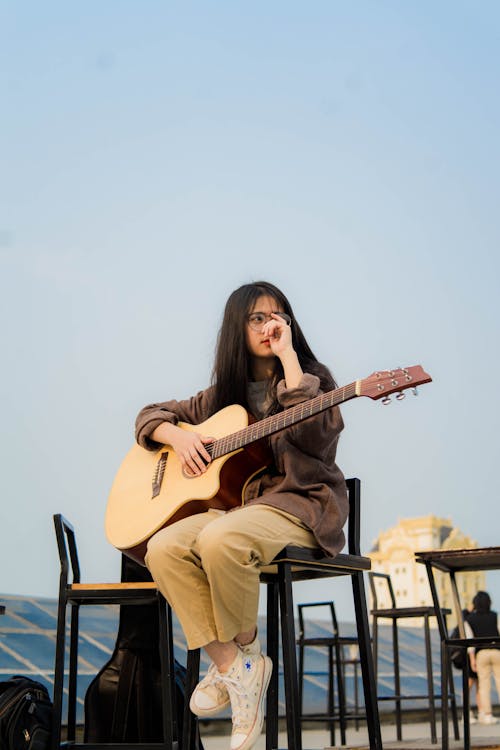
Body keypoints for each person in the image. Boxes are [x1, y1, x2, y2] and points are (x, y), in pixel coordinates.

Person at [135, 281, 348, 750]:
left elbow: (316, 439)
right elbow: (148, 416)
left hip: (301, 506)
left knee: (220, 539)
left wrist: (291, 361)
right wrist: (179, 437)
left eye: (280, 317)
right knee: (163, 547)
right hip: (245, 512)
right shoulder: (222, 396)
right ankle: (238, 664)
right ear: (237, 328)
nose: (271, 325)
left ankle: (240, 665)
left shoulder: (315, 379)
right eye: (258, 318)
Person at [468, 591, 500, 725]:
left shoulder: (470, 619)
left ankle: (487, 714)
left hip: (481, 653)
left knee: (484, 685)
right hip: (497, 651)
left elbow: (469, 640)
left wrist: (472, 659)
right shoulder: (495, 616)